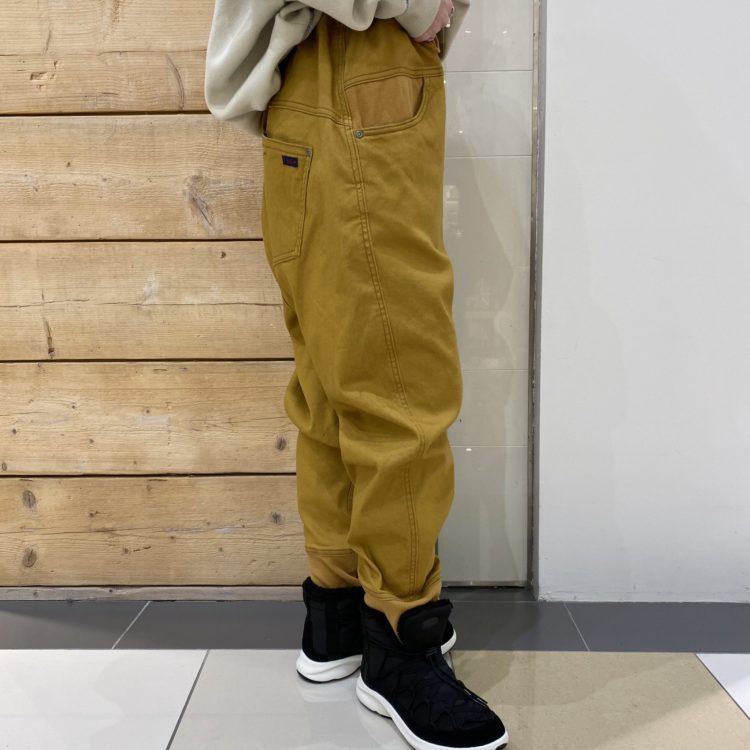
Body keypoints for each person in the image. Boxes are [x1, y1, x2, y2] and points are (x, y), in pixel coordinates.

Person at [205, 2, 508, 748]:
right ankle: (401, 639)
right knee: (402, 390)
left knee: (331, 384)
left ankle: (337, 616)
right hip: (359, 80)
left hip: (305, 93)